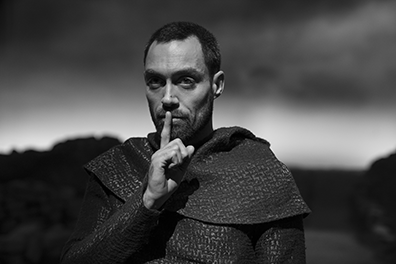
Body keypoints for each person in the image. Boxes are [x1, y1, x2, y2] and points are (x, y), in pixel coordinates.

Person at [60, 21, 311, 264]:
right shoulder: (119, 167)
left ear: (217, 86)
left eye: (186, 81)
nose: (168, 98)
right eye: (155, 81)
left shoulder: (261, 174)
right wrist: (147, 201)